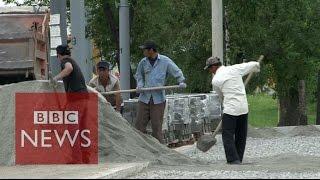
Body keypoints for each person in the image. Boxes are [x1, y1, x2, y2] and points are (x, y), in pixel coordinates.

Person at [204, 56, 260, 165]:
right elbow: (252, 65)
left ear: (214, 66)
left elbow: (221, 96)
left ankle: (233, 160)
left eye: (210, 69)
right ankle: (239, 157)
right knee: (241, 134)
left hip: (230, 109)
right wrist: (257, 66)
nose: (210, 71)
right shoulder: (235, 69)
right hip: (243, 107)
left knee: (227, 134)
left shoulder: (215, 80)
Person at [135, 41, 186, 143]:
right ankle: (141, 148)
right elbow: (138, 75)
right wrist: (140, 84)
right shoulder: (143, 62)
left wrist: (181, 81)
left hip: (158, 100)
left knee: (156, 127)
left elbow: (176, 71)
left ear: (151, 50)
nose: (143, 52)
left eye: (145, 50)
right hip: (144, 98)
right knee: (139, 126)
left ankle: (158, 152)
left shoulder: (165, 61)